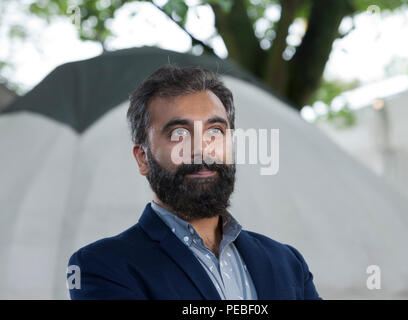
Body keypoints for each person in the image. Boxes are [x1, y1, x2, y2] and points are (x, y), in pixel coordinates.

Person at [67, 64, 321, 300]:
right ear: (143, 158)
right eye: (179, 134)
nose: (202, 149)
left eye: (215, 131)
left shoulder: (288, 263)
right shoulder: (102, 266)